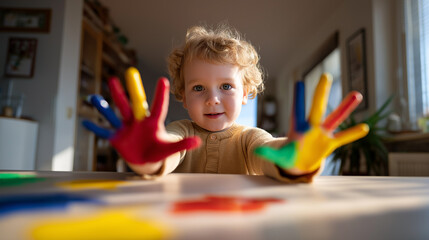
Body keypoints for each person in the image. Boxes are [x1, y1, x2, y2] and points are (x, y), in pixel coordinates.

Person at [84, 25, 368, 183]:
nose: (213, 99)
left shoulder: (249, 139)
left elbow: (268, 154)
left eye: (226, 86)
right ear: (182, 95)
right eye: (198, 88)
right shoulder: (180, 131)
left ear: (246, 92)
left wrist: (294, 157)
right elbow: (167, 152)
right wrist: (150, 157)